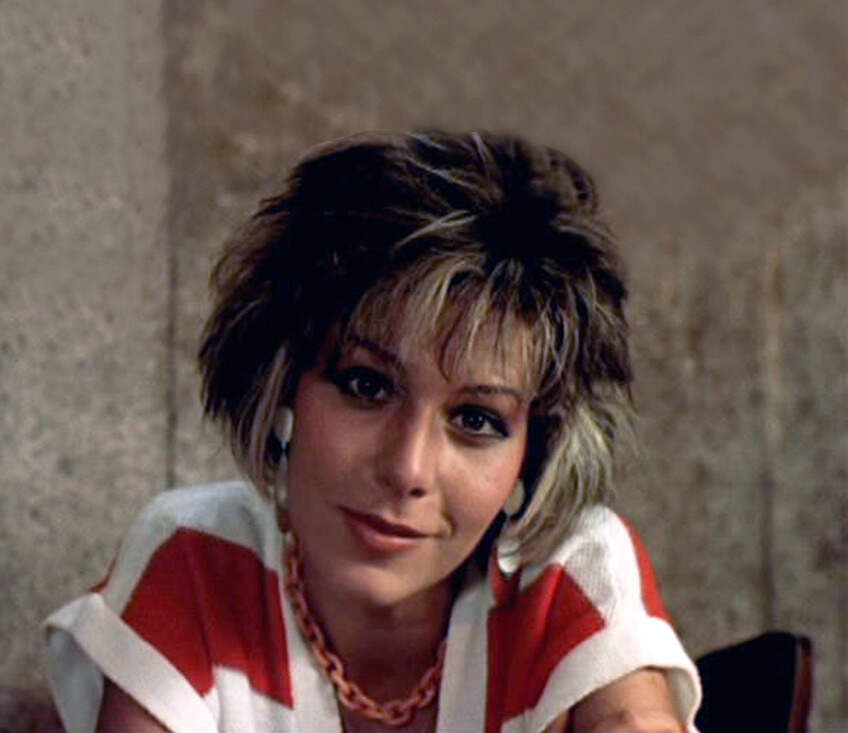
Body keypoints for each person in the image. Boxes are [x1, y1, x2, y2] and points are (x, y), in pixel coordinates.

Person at [44, 131, 702, 732]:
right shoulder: (197, 557)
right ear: (283, 383)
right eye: (366, 386)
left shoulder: (570, 570)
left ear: (533, 455)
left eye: (476, 420)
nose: (408, 468)